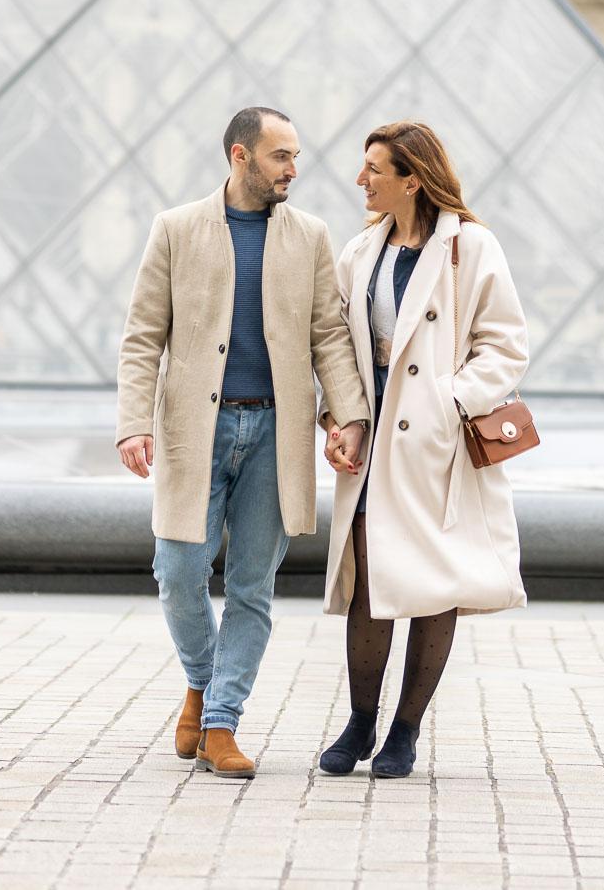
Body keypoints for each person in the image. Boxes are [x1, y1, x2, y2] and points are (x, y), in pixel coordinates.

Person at [115, 107, 369, 779]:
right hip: (193, 431)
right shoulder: (175, 229)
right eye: (281, 156)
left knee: (253, 587)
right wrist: (133, 423)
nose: (293, 168)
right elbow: (143, 337)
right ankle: (202, 680)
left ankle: (221, 721)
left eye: (294, 156)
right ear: (240, 156)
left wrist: (346, 417)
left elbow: (328, 336)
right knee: (177, 573)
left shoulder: (310, 235)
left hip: (274, 435)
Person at [317, 121, 528, 780]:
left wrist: (449, 402)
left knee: (434, 581)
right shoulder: (359, 251)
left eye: (375, 169)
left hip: (435, 443)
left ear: (413, 178)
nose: (362, 180)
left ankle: (405, 731)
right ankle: (360, 721)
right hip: (375, 437)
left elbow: (506, 345)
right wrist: (340, 417)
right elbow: (337, 348)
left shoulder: (472, 247)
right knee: (369, 583)